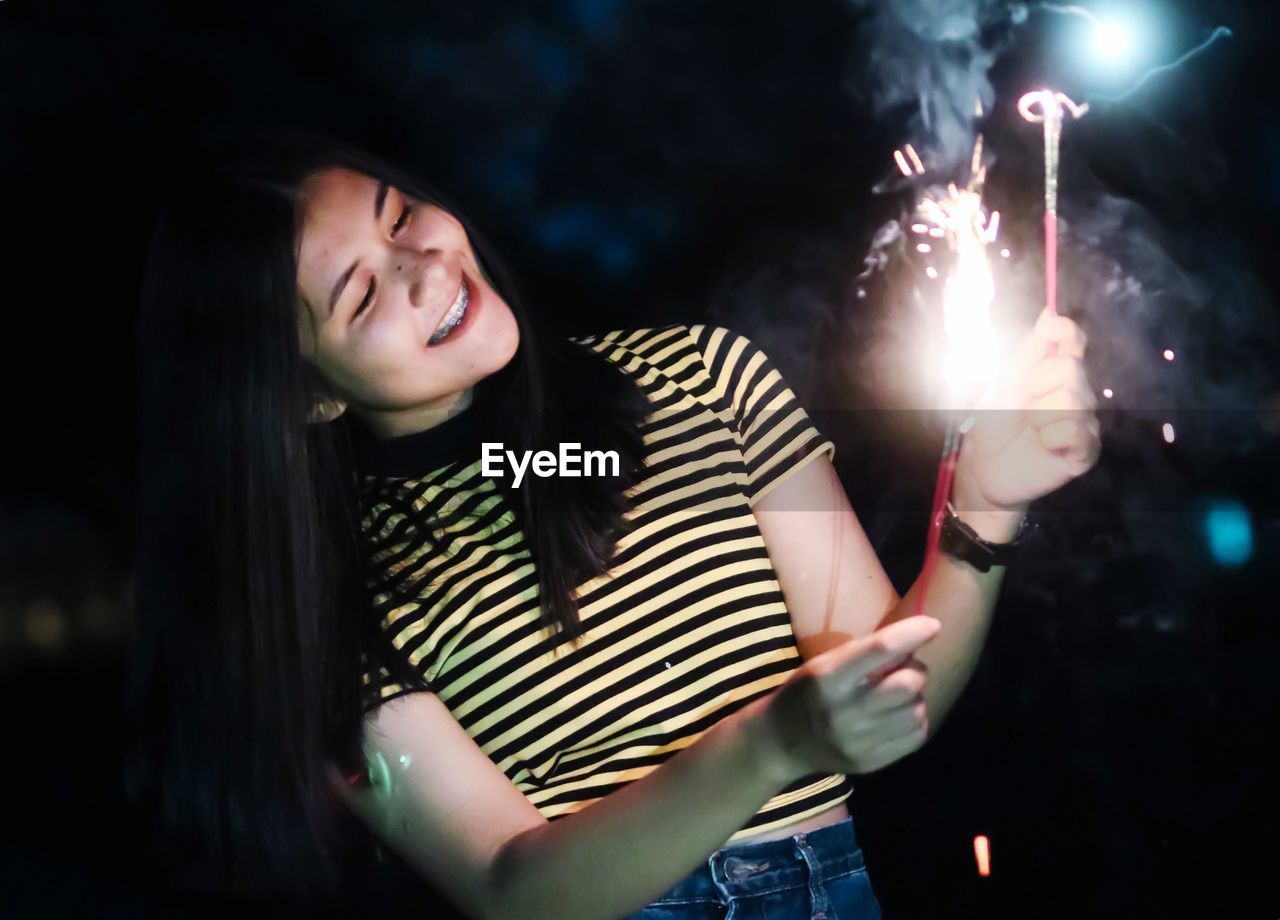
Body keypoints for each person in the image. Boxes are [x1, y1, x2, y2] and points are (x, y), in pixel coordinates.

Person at [124, 129, 1100, 919]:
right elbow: (511, 886)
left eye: (401, 216)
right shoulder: (324, 593)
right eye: (362, 293)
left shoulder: (701, 378)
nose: (424, 267)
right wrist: (770, 741)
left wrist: (981, 506)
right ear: (305, 397)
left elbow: (891, 689)